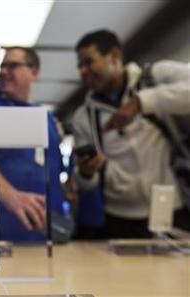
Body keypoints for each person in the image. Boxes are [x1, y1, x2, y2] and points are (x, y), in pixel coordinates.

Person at [72, 29, 190, 238]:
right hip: (118, 219)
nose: (83, 71)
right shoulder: (83, 117)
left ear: (114, 56)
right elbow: (86, 182)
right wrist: (86, 173)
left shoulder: (155, 77)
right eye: (80, 66)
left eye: (89, 62)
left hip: (171, 209)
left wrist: (142, 102)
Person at [0, 47, 66, 241]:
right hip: (2, 232)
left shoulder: (46, 118)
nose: (4, 72)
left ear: (34, 72)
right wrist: (11, 196)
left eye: (12, 65)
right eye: (2, 66)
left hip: (47, 232)